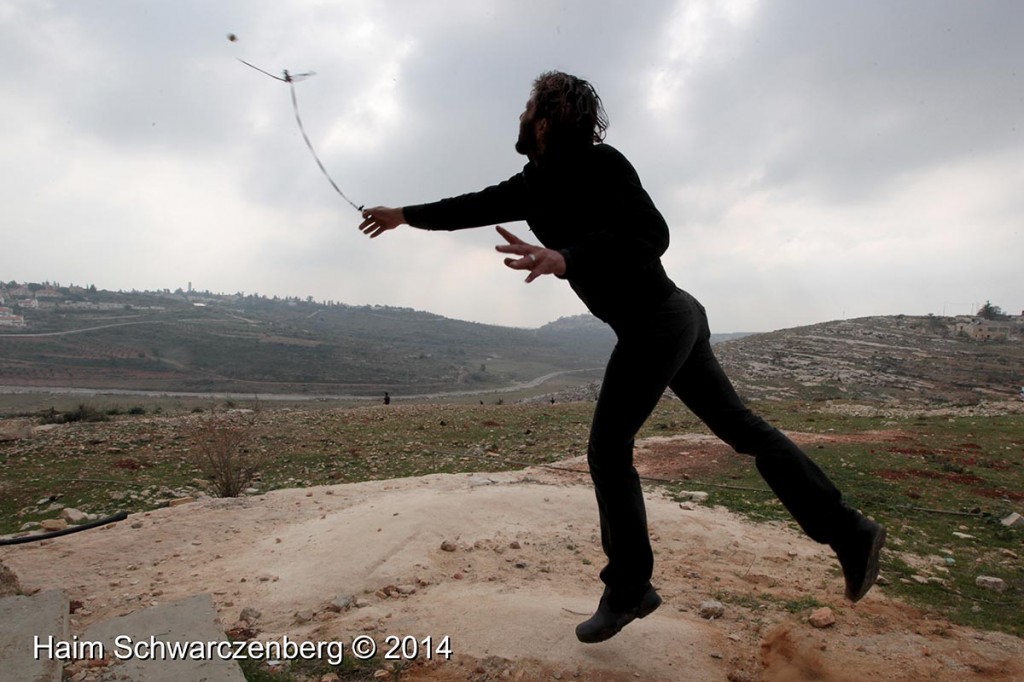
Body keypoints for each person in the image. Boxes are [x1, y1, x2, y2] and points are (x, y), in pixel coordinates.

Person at [358, 71, 885, 644]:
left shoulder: (603, 165)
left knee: (609, 450)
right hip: (666, 320)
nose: (520, 114)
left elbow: (651, 234)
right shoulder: (533, 183)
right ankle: (849, 531)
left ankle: (630, 587)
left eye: (529, 105)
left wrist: (568, 256)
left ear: (545, 118)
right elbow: (471, 205)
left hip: (659, 320)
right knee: (740, 429)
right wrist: (403, 215)